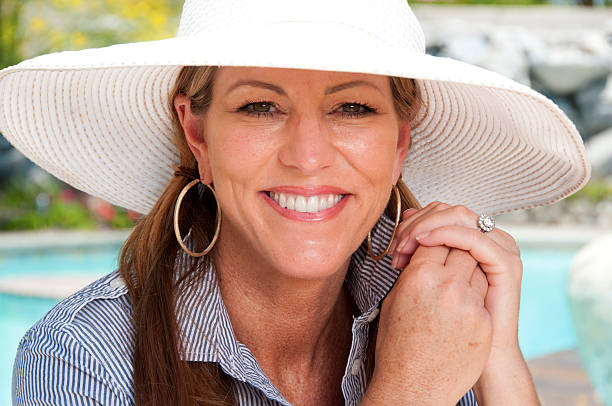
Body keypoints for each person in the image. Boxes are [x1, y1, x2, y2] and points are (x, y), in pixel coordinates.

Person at [1, 0, 590, 405]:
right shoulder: (86, 357)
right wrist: (409, 390)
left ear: (400, 142)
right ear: (198, 134)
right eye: (261, 106)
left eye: (352, 108)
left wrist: (498, 356)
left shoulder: (431, 311)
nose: (308, 157)